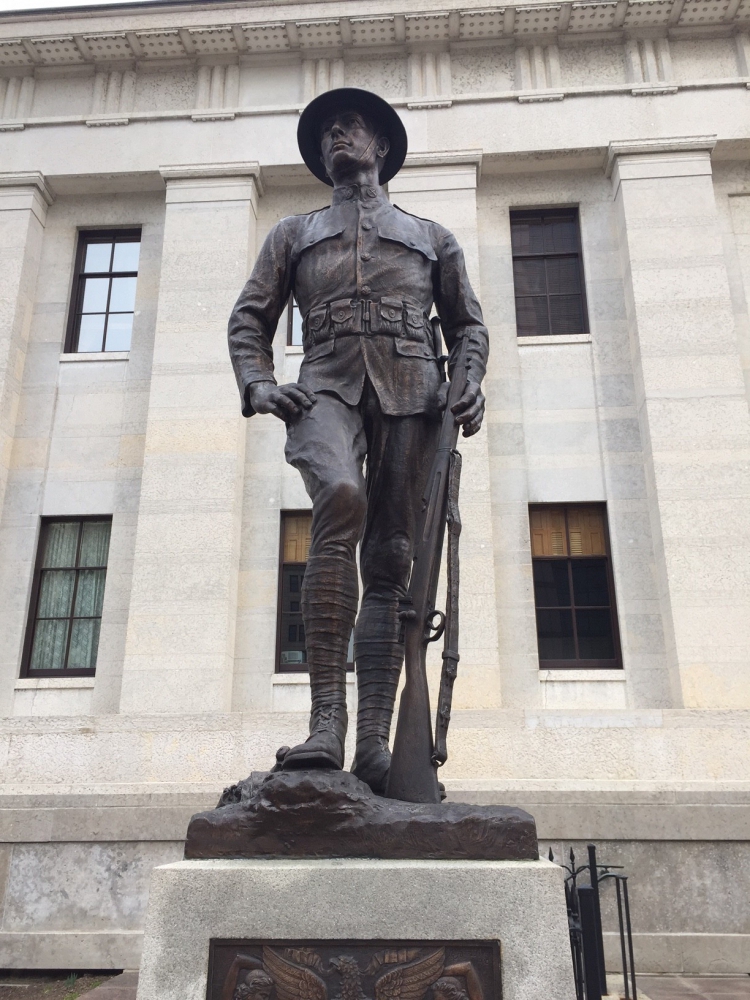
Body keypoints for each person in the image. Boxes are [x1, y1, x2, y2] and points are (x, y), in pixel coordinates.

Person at [228, 87, 489, 795]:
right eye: (327, 133)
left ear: (380, 147)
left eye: (350, 128)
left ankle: (374, 743)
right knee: (339, 498)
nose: (337, 137)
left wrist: (468, 380)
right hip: (325, 389)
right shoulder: (292, 233)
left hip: (412, 393)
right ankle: (326, 723)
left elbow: (468, 326)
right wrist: (256, 384)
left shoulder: (432, 236)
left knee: (393, 559)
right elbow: (249, 318)